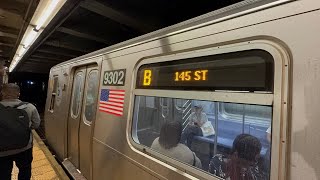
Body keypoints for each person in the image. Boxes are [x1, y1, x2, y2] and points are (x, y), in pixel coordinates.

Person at [0, 83, 41, 180]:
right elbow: (36, 125)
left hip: (2, 151)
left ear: (2, 93)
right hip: (24, 147)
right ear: (19, 94)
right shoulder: (29, 107)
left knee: (3, 174)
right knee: (25, 171)